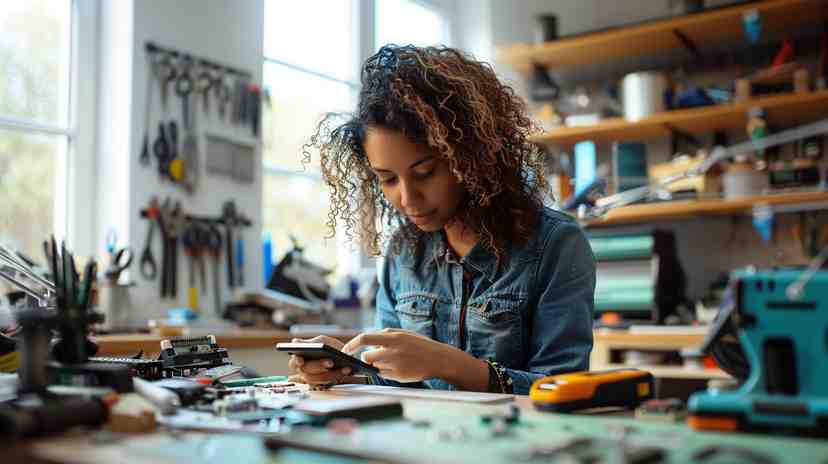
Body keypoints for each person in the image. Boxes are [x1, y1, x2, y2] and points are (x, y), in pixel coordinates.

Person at [288, 44, 595, 395]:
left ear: (471, 158)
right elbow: (397, 381)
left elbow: (563, 388)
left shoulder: (556, 244)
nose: (407, 198)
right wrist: (349, 370)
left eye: (425, 172)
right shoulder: (403, 252)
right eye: (387, 179)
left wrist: (445, 362)